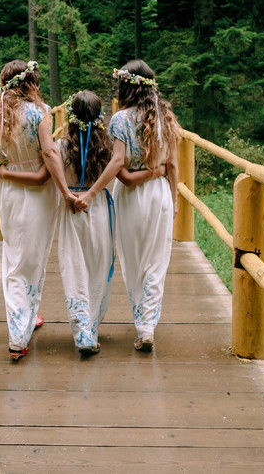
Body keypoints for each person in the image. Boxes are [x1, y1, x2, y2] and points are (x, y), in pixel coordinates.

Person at [77, 60, 177, 352]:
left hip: (131, 199)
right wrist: (175, 199)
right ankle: (147, 327)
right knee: (156, 262)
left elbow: (120, 166)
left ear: (125, 87)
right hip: (159, 195)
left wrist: (93, 192)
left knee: (133, 262)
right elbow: (171, 164)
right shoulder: (166, 118)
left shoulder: (120, 120)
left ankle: (141, 322)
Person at [0, 60, 75, 361]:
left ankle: (27, 317)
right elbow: (49, 153)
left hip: (8, 194)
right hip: (38, 194)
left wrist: (5, 178)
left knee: (14, 257)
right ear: (30, 83)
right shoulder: (38, 114)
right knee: (33, 258)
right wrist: (65, 191)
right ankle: (18, 335)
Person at [54, 91, 120, 357]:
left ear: (70, 116)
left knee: (74, 267)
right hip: (98, 205)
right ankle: (90, 326)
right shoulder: (110, 148)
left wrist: (68, 196)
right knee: (97, 267)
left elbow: (52, 177)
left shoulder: (60, 146)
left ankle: (82, 331)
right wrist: (91, 194)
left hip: (72, 209)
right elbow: (115, 176)